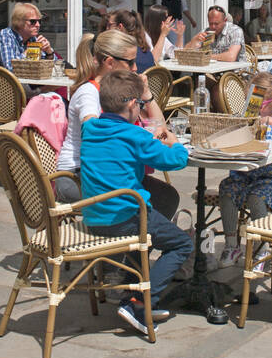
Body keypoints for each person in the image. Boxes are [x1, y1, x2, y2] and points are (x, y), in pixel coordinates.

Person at [80, 70, 192, 333]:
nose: (141, 110)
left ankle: (129, 297)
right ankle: (140, 303)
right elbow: (176, 160)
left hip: (95, 217)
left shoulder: (90, 128)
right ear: (132, 104)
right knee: (181, 244)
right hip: (127, 216)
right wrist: (175, 142)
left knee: (142, 241)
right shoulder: (135, 135)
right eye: (140, 105)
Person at [56, 30, 170, 206]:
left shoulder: (118, 91)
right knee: (154, 199)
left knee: (166, 196)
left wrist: (146, 95)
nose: (135, 68)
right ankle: (131, 231)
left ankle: (140, 231)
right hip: (77, 176)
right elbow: (91, 130)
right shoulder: (89, 92)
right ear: (110, 62)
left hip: (107, 169)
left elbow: (160, 129)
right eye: (130, 62)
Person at [215, 71, 272, 269]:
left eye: (258, 104)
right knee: (226, 188)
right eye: (251, 102)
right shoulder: (247, 119)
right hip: (245, 177)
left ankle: (262, 245)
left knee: (257, 196)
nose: (254, 109)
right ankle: (232, 244)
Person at [0, 1, 57, 69]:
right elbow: (10, 67)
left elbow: (56, 66)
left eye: (39, 21)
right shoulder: (5, 36)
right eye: (33, 22)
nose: (38, 25)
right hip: (3, 79)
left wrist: (49, 52)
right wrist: (30, 52)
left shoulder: (32, 38)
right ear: (20, 21)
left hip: (27, 79)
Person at [140, 5, 176, 72]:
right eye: (166, 18)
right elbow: (152, 60)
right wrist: (163, 34)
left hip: (160, 74)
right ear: (158, 20)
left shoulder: (161, 36)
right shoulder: (144, 36)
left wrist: (180, 36)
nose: (168, 20)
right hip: (149, 76)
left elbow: (174, 55)